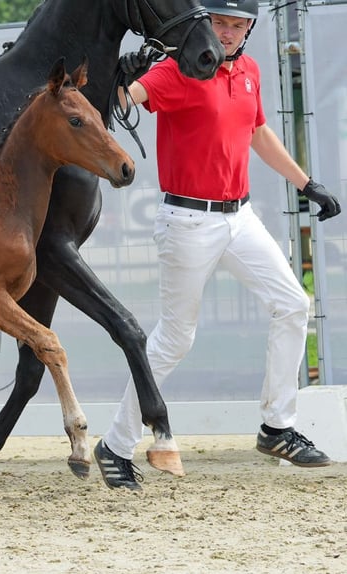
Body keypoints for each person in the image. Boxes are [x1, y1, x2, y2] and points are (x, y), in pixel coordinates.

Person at [94, 0, 342, 491]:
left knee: (293, 303)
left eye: (237, 25)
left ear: (248, 29)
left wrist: (306, 183)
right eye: (220, 24)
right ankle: (115, 445)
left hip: (239, 217)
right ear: (206, 24)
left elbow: (257, 131)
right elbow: (124, 104)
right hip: (188, 221)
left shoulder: (248, 70)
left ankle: (276, 427)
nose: (227, 33)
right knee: (174, 340)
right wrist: (123, 80)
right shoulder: (178, 70)